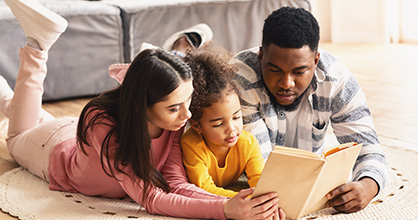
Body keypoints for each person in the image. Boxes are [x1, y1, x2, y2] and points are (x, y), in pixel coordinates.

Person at [0, 0, 284, 219]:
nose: (187, 116)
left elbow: (176, 184)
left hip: (74, 130)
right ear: (142, 107)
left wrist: (232, 203)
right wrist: (224, 210)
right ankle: (38, 47)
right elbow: (152, 199)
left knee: (23, 116)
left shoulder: (173, 124)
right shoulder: (106, 131)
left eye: (188, 101)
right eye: (174, 107)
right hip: (51, 147)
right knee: (16, 138)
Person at [231, 7, 388, 214]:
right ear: (261, 56)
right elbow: (263, 171)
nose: (286, 83)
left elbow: (368, 146)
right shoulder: (239, 78)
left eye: (299, 71)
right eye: (275, 69)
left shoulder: (337, 80)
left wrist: (368, 186)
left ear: (316, 60)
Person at [180, 43, 264, 198]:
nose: (232, 129)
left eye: (237, 117)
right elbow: (204, 189)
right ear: (197, 126)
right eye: (219, 124)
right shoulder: (191, 144)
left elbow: (260, 181)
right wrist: (240, 199)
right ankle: (179, 46)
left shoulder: (247, 143)